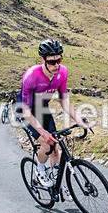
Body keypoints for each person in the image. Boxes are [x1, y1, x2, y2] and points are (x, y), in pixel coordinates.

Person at [20, 39, 89, 187]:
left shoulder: (62, 72)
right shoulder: (31, 76)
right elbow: (27, 113)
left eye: (59, 59)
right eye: (52, 62)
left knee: (55, 148)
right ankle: (40, 170)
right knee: (46, 143)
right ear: (42, 60)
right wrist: (43, 133)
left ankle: (57, 183)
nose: (56, 65)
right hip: (25, 111)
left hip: (42, 108)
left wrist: (78, 118)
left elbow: (64, 100)